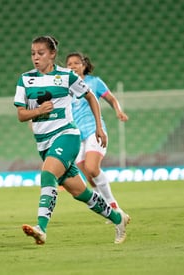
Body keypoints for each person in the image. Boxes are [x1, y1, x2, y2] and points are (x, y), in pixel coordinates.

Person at [14, 35, 129, 245]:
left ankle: (41, 227)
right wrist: (38, 111)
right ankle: (118, 218)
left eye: (40, 53)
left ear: (52, 54)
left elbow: (91, 97)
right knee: (80, 192)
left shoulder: (67, 76)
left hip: (67, 136)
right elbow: (21, 115)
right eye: (33, 54)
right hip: (44, 143)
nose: (35, 58)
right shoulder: (25, 79)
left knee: (48, 174)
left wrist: (98, 127)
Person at [66, 52, 129, 214]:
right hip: (76, 135)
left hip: (94, 130)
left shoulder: (94, 82)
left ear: (84, 66)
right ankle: (107, 209)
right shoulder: (66, 87)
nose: (72, 66)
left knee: (92, 168)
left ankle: (113, 206)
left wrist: (118, 111)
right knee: (87, 174)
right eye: (69, 64)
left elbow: (112, 99)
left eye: (76, 63)